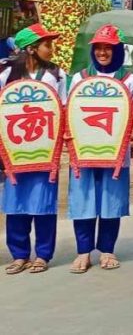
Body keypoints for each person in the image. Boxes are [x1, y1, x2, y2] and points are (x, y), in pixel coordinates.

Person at [66, 25, 133, 273]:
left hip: (115, 153)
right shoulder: (79, 78)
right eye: (98, 47)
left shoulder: (130, 80)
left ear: (117, 50)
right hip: (84, 151)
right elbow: (70, 113)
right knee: (83, 199)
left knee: (111, 200)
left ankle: (108, 249)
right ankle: (83, 251)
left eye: (108, 48)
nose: (102, 52)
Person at [1, 24, 65, 274]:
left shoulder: (56, 75)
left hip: (45, 150)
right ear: (31, 49)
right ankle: (19, 254)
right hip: (15, 150)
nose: (51, 49)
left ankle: (43, 254)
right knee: (15, 202)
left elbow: (63, 107)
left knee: (44, 202)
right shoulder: (6, 75)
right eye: (47, 45)